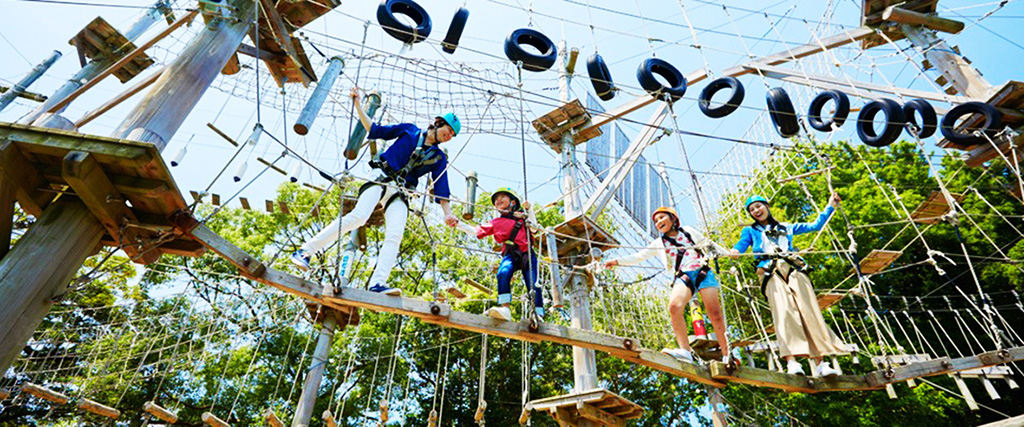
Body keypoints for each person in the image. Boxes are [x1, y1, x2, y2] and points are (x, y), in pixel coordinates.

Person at [291, 87, 461, 296]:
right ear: (438, 123)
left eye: (453, 135)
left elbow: (441, 186)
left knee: (395, 234)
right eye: (449, 130)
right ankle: (305, 251)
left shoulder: (439, 158)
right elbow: (376, 130)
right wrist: (358, 106)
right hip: (381, 177)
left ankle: (377, 284)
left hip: (400, 192)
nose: (449, 136)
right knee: (358, 217)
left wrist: (448, 214)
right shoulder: (410, 130)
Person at [729, 194, 846, 377]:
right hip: (769, 270)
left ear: (767, 206)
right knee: (783, 312)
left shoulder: (786, 227)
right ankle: (792, 362)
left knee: (809, 310)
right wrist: (735, 251)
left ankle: (821, 363)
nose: (756, 211)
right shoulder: (751, 231)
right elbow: (741, 245)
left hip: (793, 267)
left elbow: (815, 226)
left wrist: (830, 206)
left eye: (758, 206)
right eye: (752, 210)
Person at [604, 206, 730, 364]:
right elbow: (639, 256)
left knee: (715, 314)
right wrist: (616, 262)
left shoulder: (688, 232)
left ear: (673, 219)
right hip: (684, 276)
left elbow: (708, 244)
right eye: (656, 221)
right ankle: (685, 351)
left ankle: (727, 354)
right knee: (674, 307)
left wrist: (728, 252)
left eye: (662, 218)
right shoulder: (659, 243)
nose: (658, 222)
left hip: (702, 272)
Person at [456, 188, 544, 321]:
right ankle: (505, 308)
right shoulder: (496, 223)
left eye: (502, 197)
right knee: (503, 272)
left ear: (513, 202)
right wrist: (457, 224)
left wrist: (529, 209)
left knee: (533, 283)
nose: (498, 200)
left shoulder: (523, 217)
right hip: (510, 253)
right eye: (496, 199)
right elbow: (476, 231)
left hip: (527, 254)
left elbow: (534, 229)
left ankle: (538, 314)